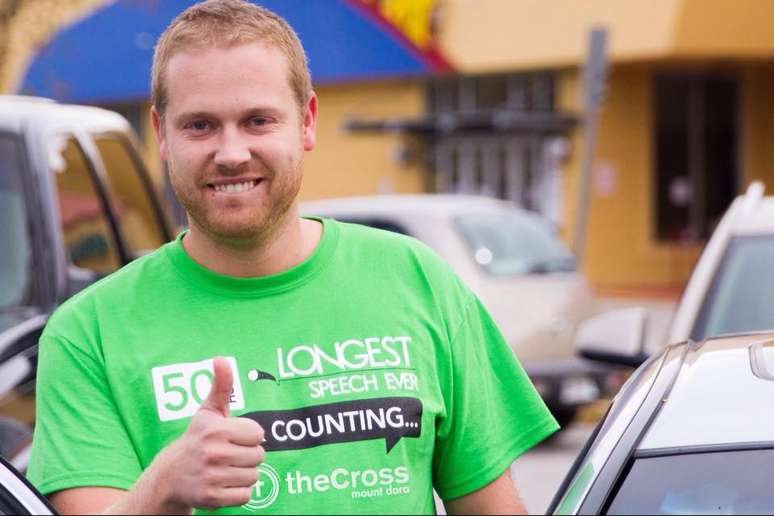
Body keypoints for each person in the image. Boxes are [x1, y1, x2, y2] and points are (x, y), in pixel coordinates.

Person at [27, 1, 558, 514]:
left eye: (258, 120)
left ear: (306, 122)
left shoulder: (419, 280)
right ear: (162, 133)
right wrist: (163, 489)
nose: (231, 153)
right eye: (200, 125)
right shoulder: (88, 333)